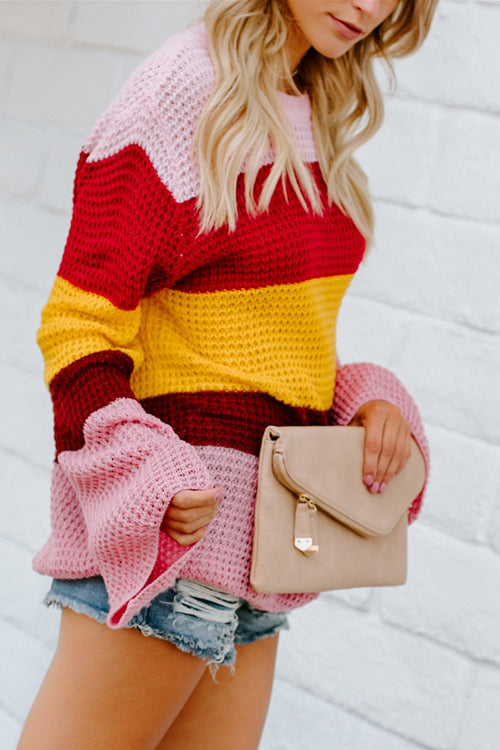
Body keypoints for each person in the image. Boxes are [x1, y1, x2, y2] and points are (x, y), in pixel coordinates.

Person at [18, 2, 437, 749]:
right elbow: (79, 323)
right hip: (171, 554)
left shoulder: (310, 102)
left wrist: (364, 400)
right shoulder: (186, 87)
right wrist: (147, 472)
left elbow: (267, 342)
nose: (371, 7)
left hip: (264, 562)